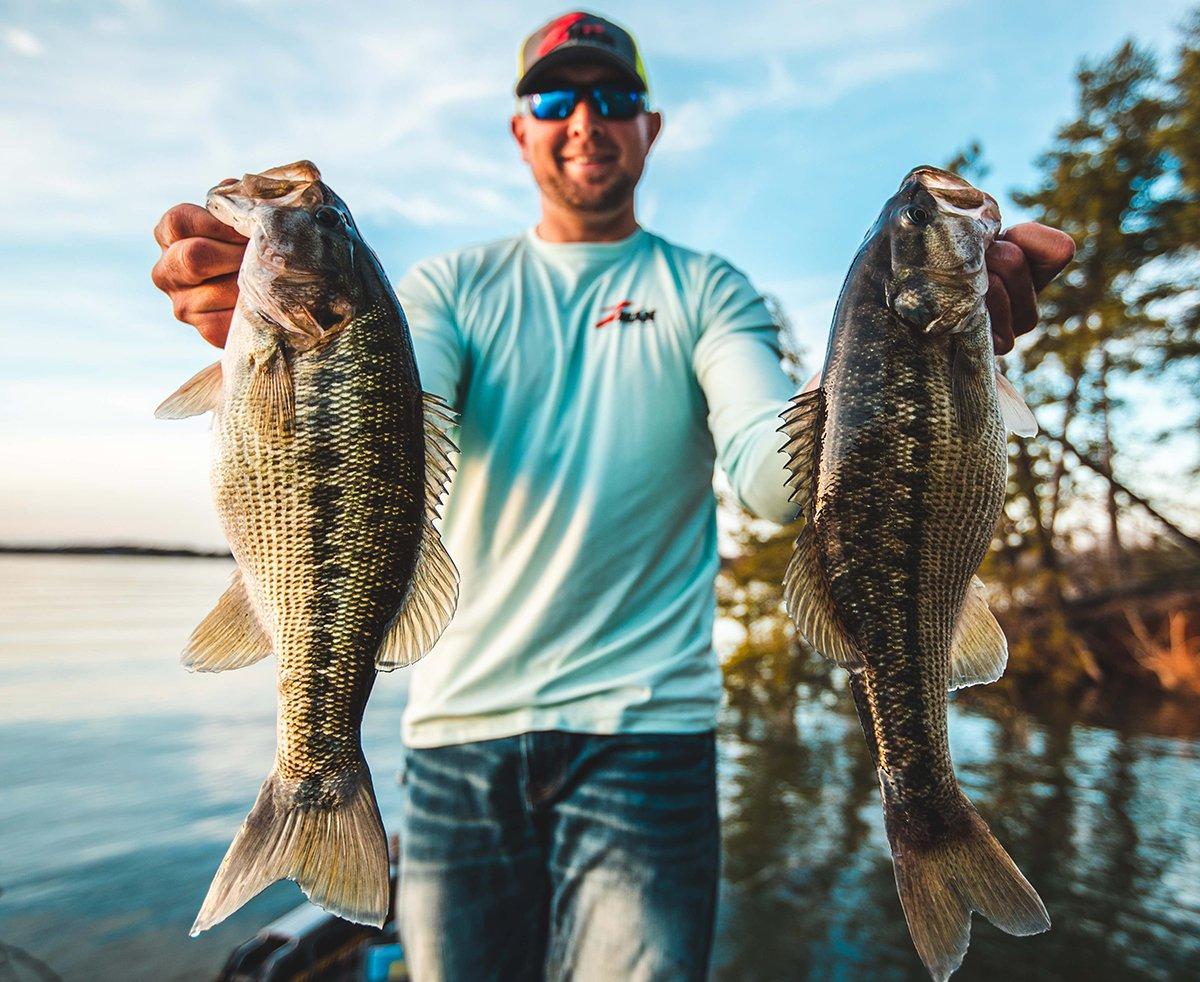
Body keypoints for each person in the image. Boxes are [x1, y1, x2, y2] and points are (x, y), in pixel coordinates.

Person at [150, 11, 1075, 980]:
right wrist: (261, 332)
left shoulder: (708, 289)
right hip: (459, 735)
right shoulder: (449, 287)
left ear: (650, 127)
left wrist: (905, 384)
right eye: (555, 99)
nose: (585, 118)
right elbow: (384, 408)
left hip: (649, 738)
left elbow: (771, 476)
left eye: (614, 97)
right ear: (522, 130)